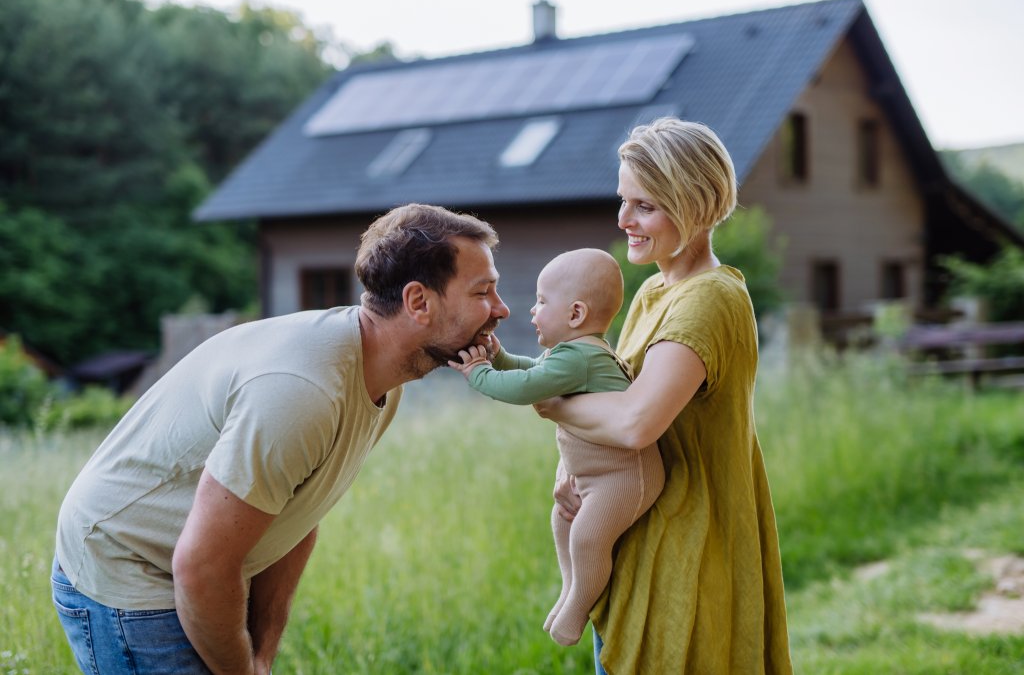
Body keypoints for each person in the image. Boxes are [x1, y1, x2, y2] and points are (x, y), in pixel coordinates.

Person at [52, 203, 510, 675]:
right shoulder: (304, 391)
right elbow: (202, 567)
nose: (502, 309)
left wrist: (263, 655)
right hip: (131, 566)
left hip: (198, 568)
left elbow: (298, 513)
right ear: (418, 302)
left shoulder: (381, 383)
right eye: (483, 291)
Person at [536, 119, 793, 673]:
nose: (623, 219)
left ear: (693, 206)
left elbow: (634, 423)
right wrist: (575, 470)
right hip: (634, 537)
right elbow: (612, 390)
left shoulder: (708, 300)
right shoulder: (655, 288)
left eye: (644, 206)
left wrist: (549, 403)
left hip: (686, 551)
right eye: (623, 200)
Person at [449, 248, 664, 647]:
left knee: (587, 537)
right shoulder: (568, 355)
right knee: (562, 520)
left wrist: (478, 374)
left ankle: (578, 608)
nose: (531, 310)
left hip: (625, 476)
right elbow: (533, 372)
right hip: (597, 475)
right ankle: (571, 589)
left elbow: (526, 388)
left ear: (576, 314)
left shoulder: (579, 358)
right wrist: (500, 357)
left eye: (542, 301)